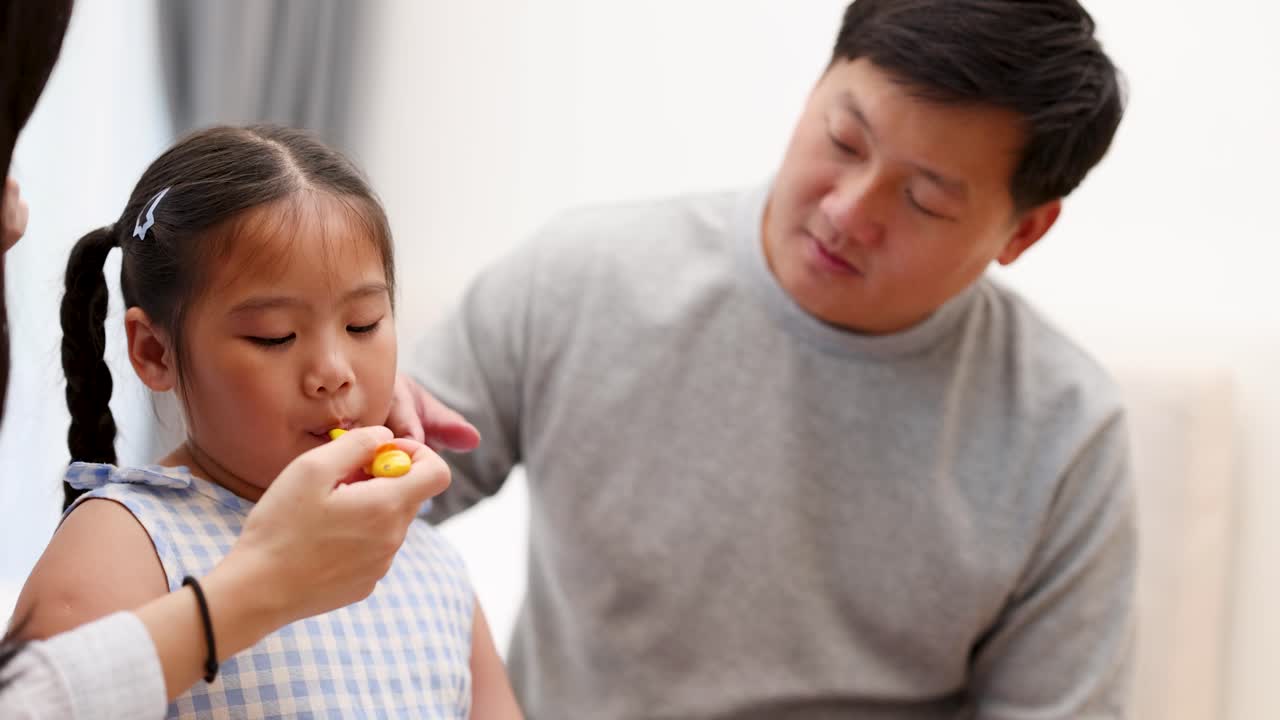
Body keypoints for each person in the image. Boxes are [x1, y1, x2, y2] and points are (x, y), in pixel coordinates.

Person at [391, 0, 1137, 717]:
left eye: (925, 200)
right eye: (844, 142)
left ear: (1024, 233)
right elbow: (341, 508)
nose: (848, 212)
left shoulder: (1064, 429)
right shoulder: (579, 280)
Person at [0, 2, 466, 719]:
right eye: (275, 337)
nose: (333, 370)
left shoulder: (422, 560)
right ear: (153, 351)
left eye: (365, 323)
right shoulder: (127, 544)